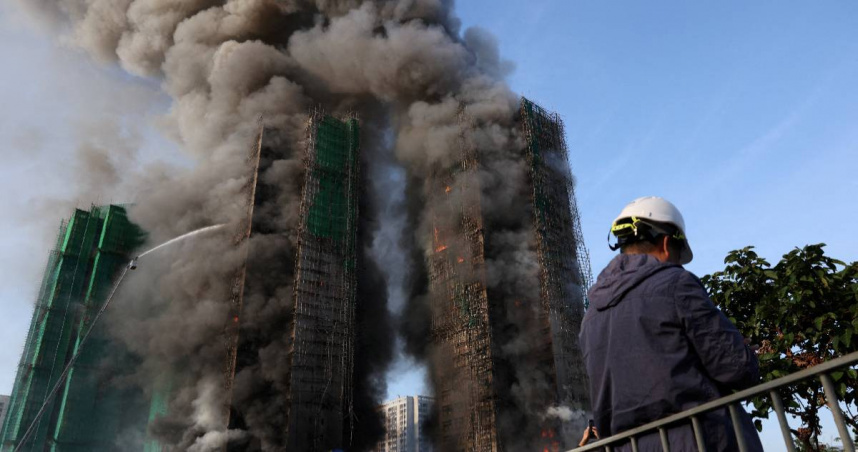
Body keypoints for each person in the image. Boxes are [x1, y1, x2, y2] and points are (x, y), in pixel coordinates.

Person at [578, 196, 763, 451]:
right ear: (666, 244)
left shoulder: (591, 317)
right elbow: (736, 369)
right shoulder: (675, 284)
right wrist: (744, 352)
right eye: (677, 255)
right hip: (697, 440)